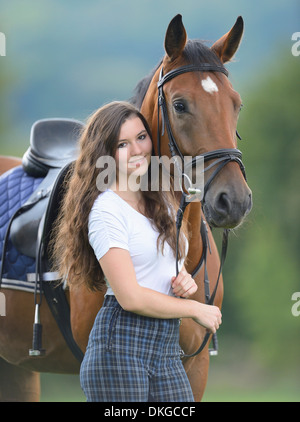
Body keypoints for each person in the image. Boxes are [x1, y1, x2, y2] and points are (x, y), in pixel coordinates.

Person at [52, 101, 222, 402]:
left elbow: (161, 263)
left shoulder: (163, 202)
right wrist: (195, 308)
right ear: (105, 154)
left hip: (165, 349)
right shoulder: (106, 211)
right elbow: (130, 296)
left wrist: (182, 278)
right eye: (122, 144)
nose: (137, 150)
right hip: (120, 348)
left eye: (141, 137)